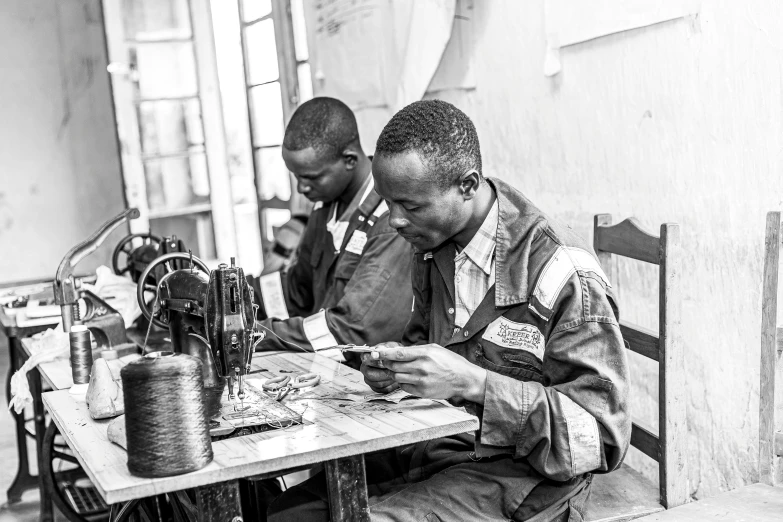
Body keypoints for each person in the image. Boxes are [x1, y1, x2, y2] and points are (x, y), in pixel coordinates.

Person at [268, 100, 631, 521]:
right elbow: (423, 344)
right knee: (291, 511)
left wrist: (475, 384)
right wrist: (399, 370)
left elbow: (600, 439)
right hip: (449, 444)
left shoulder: (560, 274)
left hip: (527, 478)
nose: (396, 221)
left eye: (411, 206)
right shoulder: (432, 244)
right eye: (388, 204)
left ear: (467, 185)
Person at [255, 97, 413, 366]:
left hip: (368, 383)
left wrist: (253, 334)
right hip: (327, 375)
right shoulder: (325, 211)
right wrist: (229, 295)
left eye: (311, 177)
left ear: (349, 160)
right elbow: (295, 292)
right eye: (296, 177)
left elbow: (351, 329)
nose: (301, 188)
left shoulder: (391, 221)